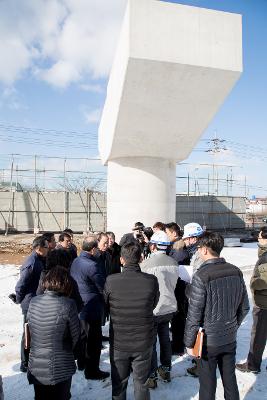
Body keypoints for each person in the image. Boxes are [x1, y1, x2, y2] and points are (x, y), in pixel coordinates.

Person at [184, 232, 250, 400]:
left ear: (205, 250)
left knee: (207, 383)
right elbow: (244, 308)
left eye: (198, 248)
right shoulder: (235, 271)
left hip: (209, 341)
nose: (197, 251)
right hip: (229, 338)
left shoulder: (201, 276)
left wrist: (189, 342)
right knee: (230, 380)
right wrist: (233, 325)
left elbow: (194, 314)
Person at [104, 242, 160, 400]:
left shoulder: (111, 281)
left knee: (119, 383)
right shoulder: (151, 280)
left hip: (119, 342)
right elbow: (154, 304)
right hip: (143, 341)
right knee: (141, 383)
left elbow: (106, 305)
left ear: (122, 260)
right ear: (141, 258)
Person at [27, 266, 80, 400]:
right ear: (66, 283)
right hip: (61, 364)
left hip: (37, 364)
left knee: (40, 397)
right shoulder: (68, 304)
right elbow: (76, 336)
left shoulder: (33, 302)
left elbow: (31, 329)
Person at [141, 231, 179, 388]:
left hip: (153, 309)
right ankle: (166, 368)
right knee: (165, 339)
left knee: (151, 342)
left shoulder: (146, 265)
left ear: (154, 245)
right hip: (169, 307)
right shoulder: (174, 262)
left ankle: (151, 375)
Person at [70, 234, 110, 380]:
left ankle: (81, 363)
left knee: (82, 336)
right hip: (92, 306)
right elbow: (102, 286)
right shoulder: (92, 265)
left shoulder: (76, 261)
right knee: (94, 340)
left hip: (80, 304)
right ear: (93, 249)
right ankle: (92, 371)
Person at [236, 226, 267, 373]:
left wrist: (253, 283)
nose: (258, 241)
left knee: (258, 335)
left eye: (260, 238)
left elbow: (264, 281)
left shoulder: (266, 258)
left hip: (263, 304)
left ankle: (253, 365)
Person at [15, 236, 48, 372]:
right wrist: (19, 299)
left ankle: (33, 358)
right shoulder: (32, 262)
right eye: (46, 247)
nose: (48, 249)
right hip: (30, 303)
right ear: (39, 248)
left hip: (37, 301)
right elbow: (21, 284)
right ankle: (25, 362)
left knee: (34, 333)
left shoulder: (40, 259)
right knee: (27, 334)